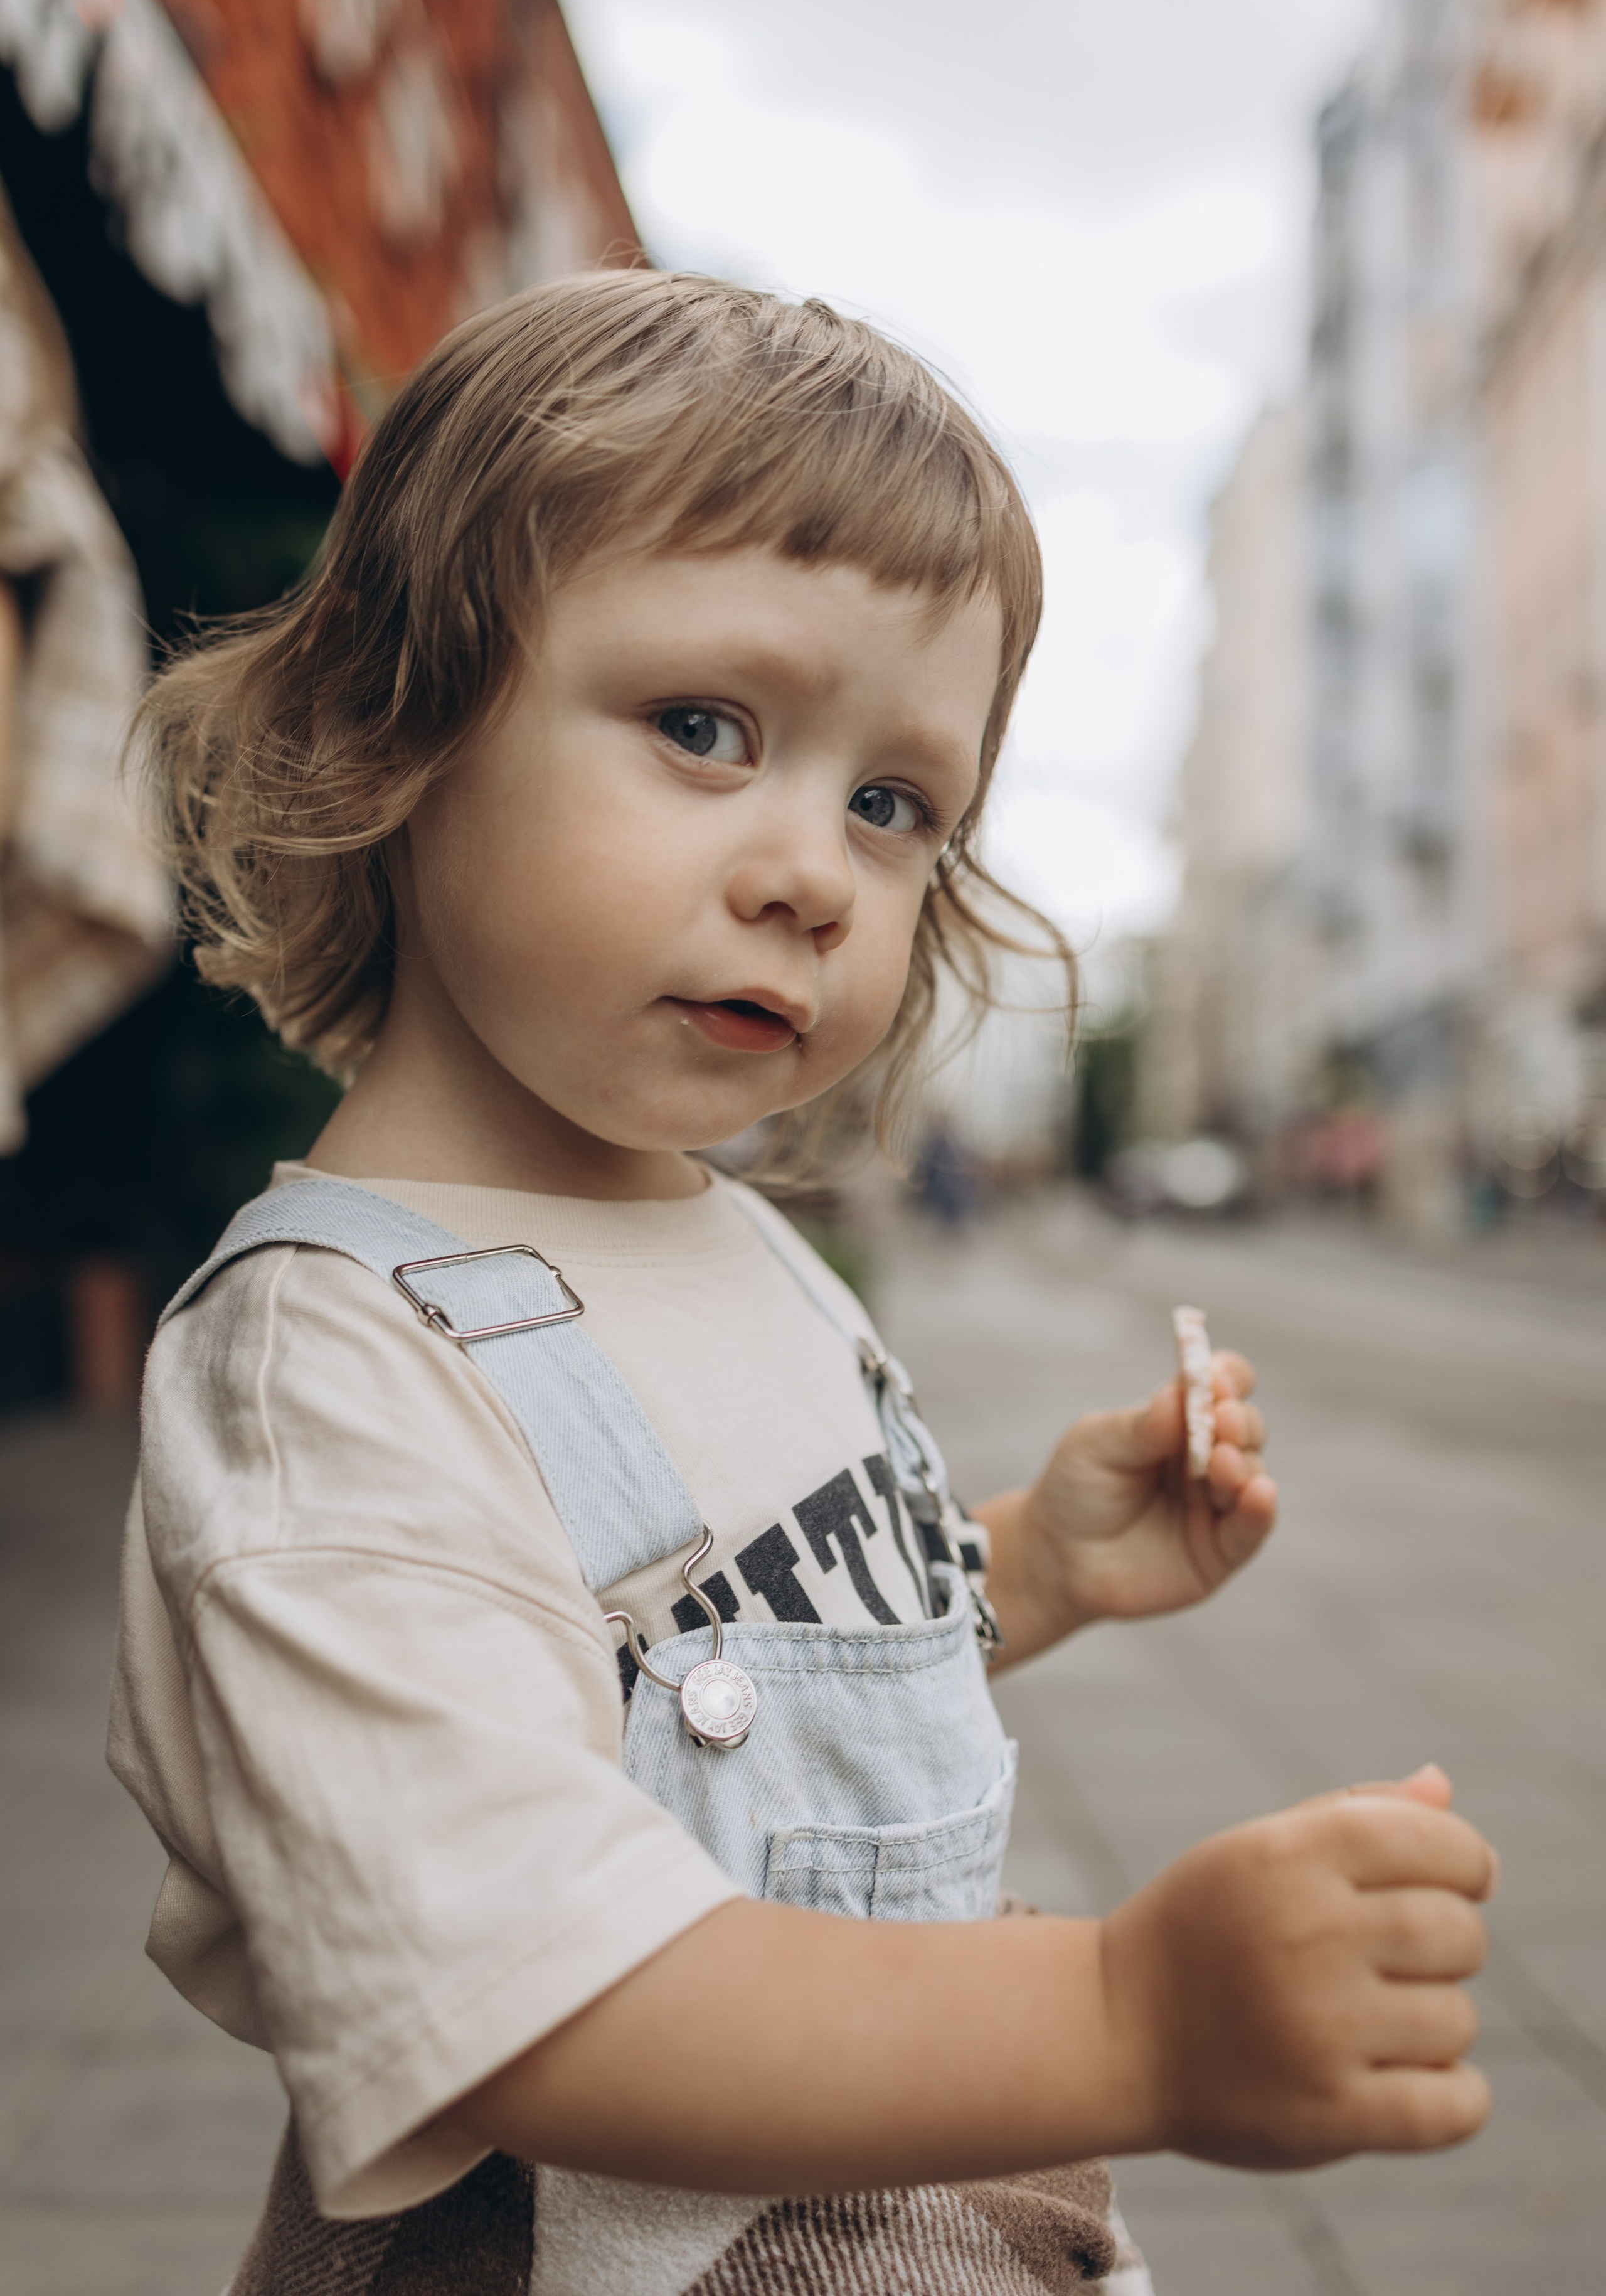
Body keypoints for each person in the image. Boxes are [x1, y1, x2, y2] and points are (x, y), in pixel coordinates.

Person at [113, 272, 1494, 2296]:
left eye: (891, 802)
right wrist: (1127, 2023)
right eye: (702, 728)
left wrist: (1028, 1564)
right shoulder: (333, 1380)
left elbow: (696, 1665)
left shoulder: (718, 1226)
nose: (813, 873)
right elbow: (527, 1992)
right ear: (386, 723)